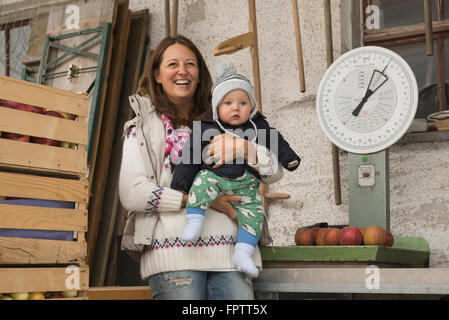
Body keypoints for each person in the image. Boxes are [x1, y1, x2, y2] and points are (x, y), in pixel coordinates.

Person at [118, 35, 284, 300]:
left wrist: (244, 148)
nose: (182, 71)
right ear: (157, 74)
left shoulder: (232, 118)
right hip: (173, 257)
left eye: (190, 64)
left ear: (200, 72)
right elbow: (133, 192)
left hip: (232, 256)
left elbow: (275, 172)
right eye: (173, 64)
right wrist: (204, 199)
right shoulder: (141, 128)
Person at [170, 61, 301, 278]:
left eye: (243, 102)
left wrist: (290, 159)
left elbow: (277, 142)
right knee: (201, 182)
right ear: (216, 108)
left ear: (252, 106)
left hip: (245, 187)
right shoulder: (206, 128)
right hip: (216, 179)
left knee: (255, 215)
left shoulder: (258, 127)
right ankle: (194, 223)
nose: (235, 107)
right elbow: (190, 158)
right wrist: (179, 185)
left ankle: (243, 253)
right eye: (228, 102)